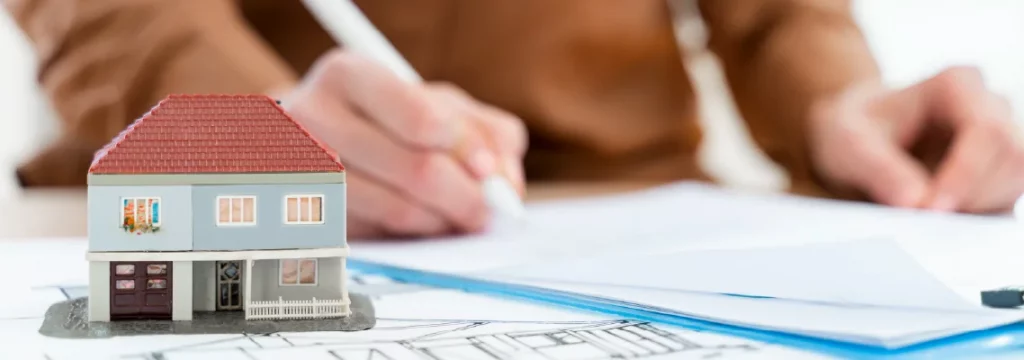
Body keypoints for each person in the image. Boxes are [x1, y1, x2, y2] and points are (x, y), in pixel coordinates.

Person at [5, 0, 1024, 239]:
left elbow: (777, 20)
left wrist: (837, 100)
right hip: (231, 201)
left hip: (629, 213)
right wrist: (243, 128)